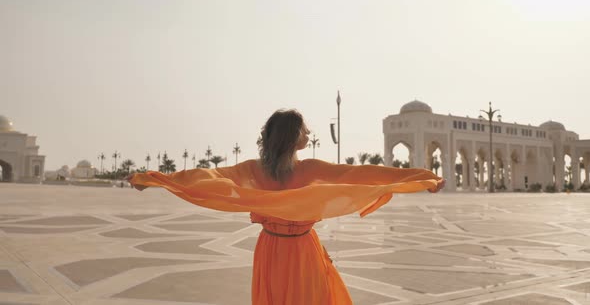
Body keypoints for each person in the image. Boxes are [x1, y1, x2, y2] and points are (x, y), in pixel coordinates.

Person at [128, 109, 444, 305]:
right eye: (305, 130)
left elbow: (204, 177)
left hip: (276, 247)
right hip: (298, 248)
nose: (309, 134)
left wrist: (155, 179)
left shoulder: (258, 169)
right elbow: (361, 173)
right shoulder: (302, 169)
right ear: (293, 137)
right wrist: (422, 177)